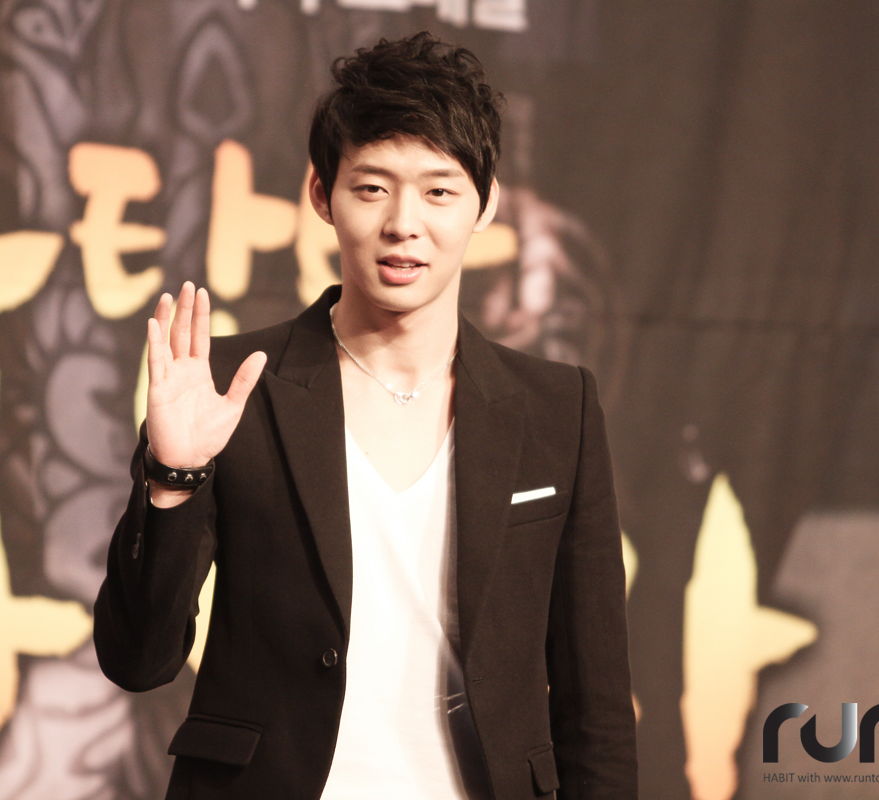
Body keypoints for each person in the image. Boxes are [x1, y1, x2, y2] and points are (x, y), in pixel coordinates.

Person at [94, 31, 637, 800]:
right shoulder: (233, 386)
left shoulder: (558, 409)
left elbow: (597, 706)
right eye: (373, 187)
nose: (403, 223)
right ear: (323, 195)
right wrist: (172, 479)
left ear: (486, 203)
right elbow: (139, 660)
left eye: (439, 191)